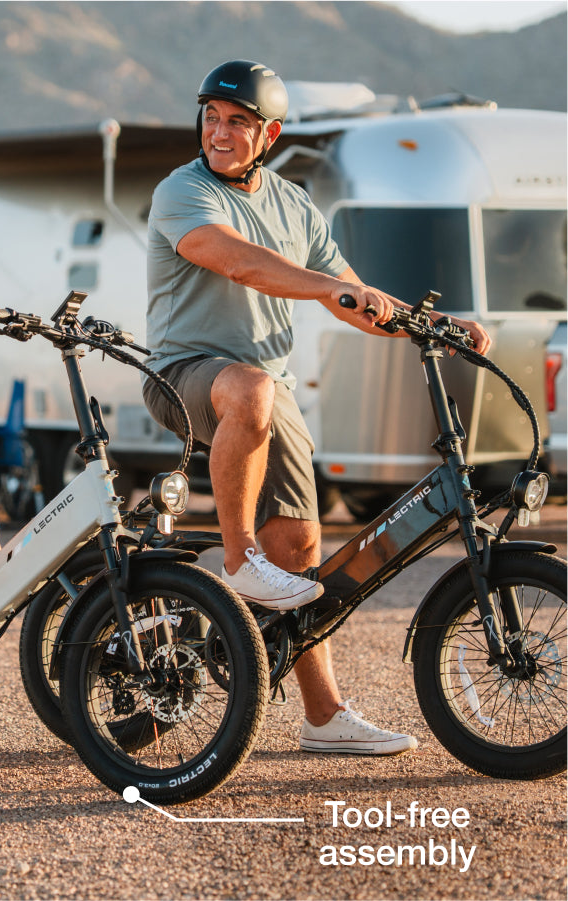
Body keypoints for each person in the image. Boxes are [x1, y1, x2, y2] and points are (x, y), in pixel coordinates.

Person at [143, 60, 492, 755]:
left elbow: (352, 295)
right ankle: (235, 556)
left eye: (236, 122)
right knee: (248, 389)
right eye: (210, 116)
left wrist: (435, 324)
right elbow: (235, 260)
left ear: (267, 133)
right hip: (186, 374)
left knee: (302, 554)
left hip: (269, 390)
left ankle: (322, 715)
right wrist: (324, 289)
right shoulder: (180, 190)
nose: (218, 131)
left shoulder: (292, 203)